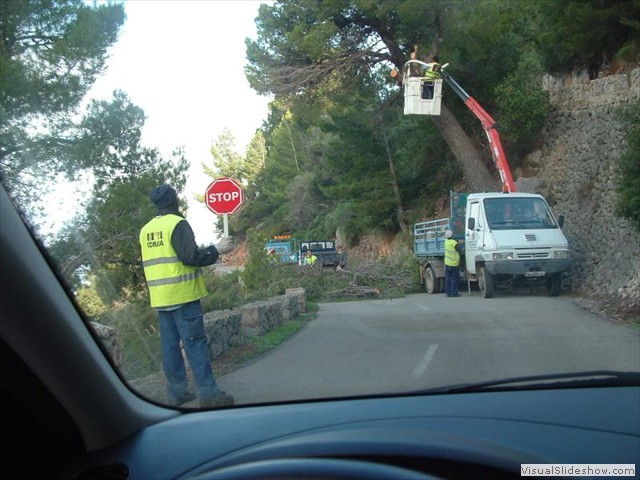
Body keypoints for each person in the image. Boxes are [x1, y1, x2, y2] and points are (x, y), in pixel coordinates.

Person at [139, 184, 234, 408]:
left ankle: (177, 393)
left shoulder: (146, 230)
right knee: (195, 343)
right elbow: (190, 257)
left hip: (161, 298)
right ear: (174, 201)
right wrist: (217, 250)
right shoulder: (177, 224)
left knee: (170, 347)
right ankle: (209, 395)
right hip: (183, 295)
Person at [444, 229, 463, 298]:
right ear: (452, 235)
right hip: (454, 264)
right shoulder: (454, 243)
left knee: (448, 279)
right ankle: (454, 293)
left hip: (447, 263)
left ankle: (448, 293)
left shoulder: (446, 241)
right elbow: (460, 249)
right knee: (454, 279)